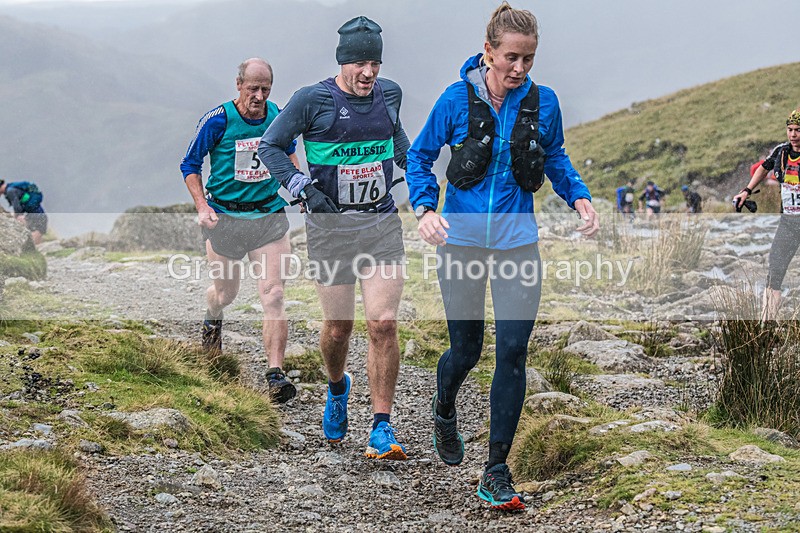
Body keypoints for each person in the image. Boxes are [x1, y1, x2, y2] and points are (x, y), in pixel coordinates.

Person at [406, 3, 599, 511]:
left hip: (518, 242)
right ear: (488, 51)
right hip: (462, 241)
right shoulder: (455, 100)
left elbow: (555, 156)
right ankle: (443, 405)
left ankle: (496, 470)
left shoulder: (543, 101)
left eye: (529, 59)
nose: (519, 69)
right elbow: (419, 156)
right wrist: (425, 208)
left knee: (513, 351)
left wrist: (577, 196)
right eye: (511, 57)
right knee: (466, 350)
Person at [259, 16, 411, 459]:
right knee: (339, 328)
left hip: (380, 223)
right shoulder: (312, 100)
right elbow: (270, 146)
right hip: (331, 231)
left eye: (375, 63)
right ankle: (337, 387)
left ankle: (382, 427)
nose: (368, 73)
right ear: (343, 62)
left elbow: (398, 141)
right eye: (360, 63)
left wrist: (422, 175)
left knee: (382, 323)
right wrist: (303, 188)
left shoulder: (390, 95)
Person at [179, 58, 298, 403]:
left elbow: (290, 156)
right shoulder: (218, 120)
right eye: (252, 89)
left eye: (265, 89)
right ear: (238, 85)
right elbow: (190, 164)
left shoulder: (278, 115)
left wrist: (300, 190)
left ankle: (276, 374)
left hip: (267, 216)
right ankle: (212, 316)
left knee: (273, 294)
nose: (259, 96)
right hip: (226, 218)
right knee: (225, 293)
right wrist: (203, 206)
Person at [734, 109, 800, 320]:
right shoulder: (781, 152)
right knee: (775, 271)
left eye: (798, 130)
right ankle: (766, 322)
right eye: (790, 130)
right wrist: (746, 191)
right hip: (789, 223)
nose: (793, 135)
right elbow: (763, 168)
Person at [0, 179, 47, 245]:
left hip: (34, 215)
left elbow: (17, 208)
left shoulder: (10, 191)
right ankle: (35, 251)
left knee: (35, 231)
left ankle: (31, 251)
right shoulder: (14, 187)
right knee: (39, 231)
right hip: (40, 214)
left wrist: (16, 216)